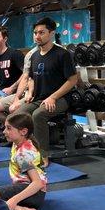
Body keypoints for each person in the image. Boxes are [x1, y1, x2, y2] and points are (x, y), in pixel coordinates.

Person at [14, 17, 78, 167]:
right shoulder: (34, 56)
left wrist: (53, 97)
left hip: (61, 98)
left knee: (38, 115)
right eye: (35, 33)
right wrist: (30, 93)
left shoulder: (63, 54)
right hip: (39, 98)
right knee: (17, 115)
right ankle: (26, 150)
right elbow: (31, 78)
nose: (37, 36)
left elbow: (73, 80)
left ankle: (43, 155)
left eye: (41, 32)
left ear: (51, 33)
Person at [0, 113, 47, 210]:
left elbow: (37, 183)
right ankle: (29, 209)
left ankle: (18, 209)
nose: (4, 131)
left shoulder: (23, 154)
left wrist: (14, 200)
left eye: (9, 128)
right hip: (35, 195)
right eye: (5, 127)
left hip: (32, 192)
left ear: (23, 131)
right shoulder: (21, 141)